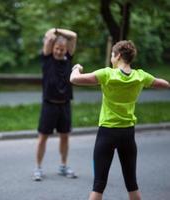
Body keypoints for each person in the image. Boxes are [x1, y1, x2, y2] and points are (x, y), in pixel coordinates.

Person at [70, 40, 170, 200]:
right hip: (127, 134)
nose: (111, 58)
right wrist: (149, 83)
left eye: (112, 55)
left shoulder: (107, 74)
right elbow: (164, 84)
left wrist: (76, 68)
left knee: (98, 186)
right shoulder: (140, 76)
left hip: (107, 133)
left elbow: (74, 80)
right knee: (132, 184)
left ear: (117, 56)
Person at [33, 28, 77, 181]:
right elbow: (48, 35)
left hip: (64, 105)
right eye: (57, 48)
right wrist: (55, 31)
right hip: (49, 105)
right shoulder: (47, 58)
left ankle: (63, 166)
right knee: (42, 137)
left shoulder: (68, 58)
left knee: (65, 136)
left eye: (62, 49)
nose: (59, 51)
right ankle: (38, 168)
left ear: (66, 50)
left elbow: (74, 36)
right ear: (52, 48)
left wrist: (60, 31)